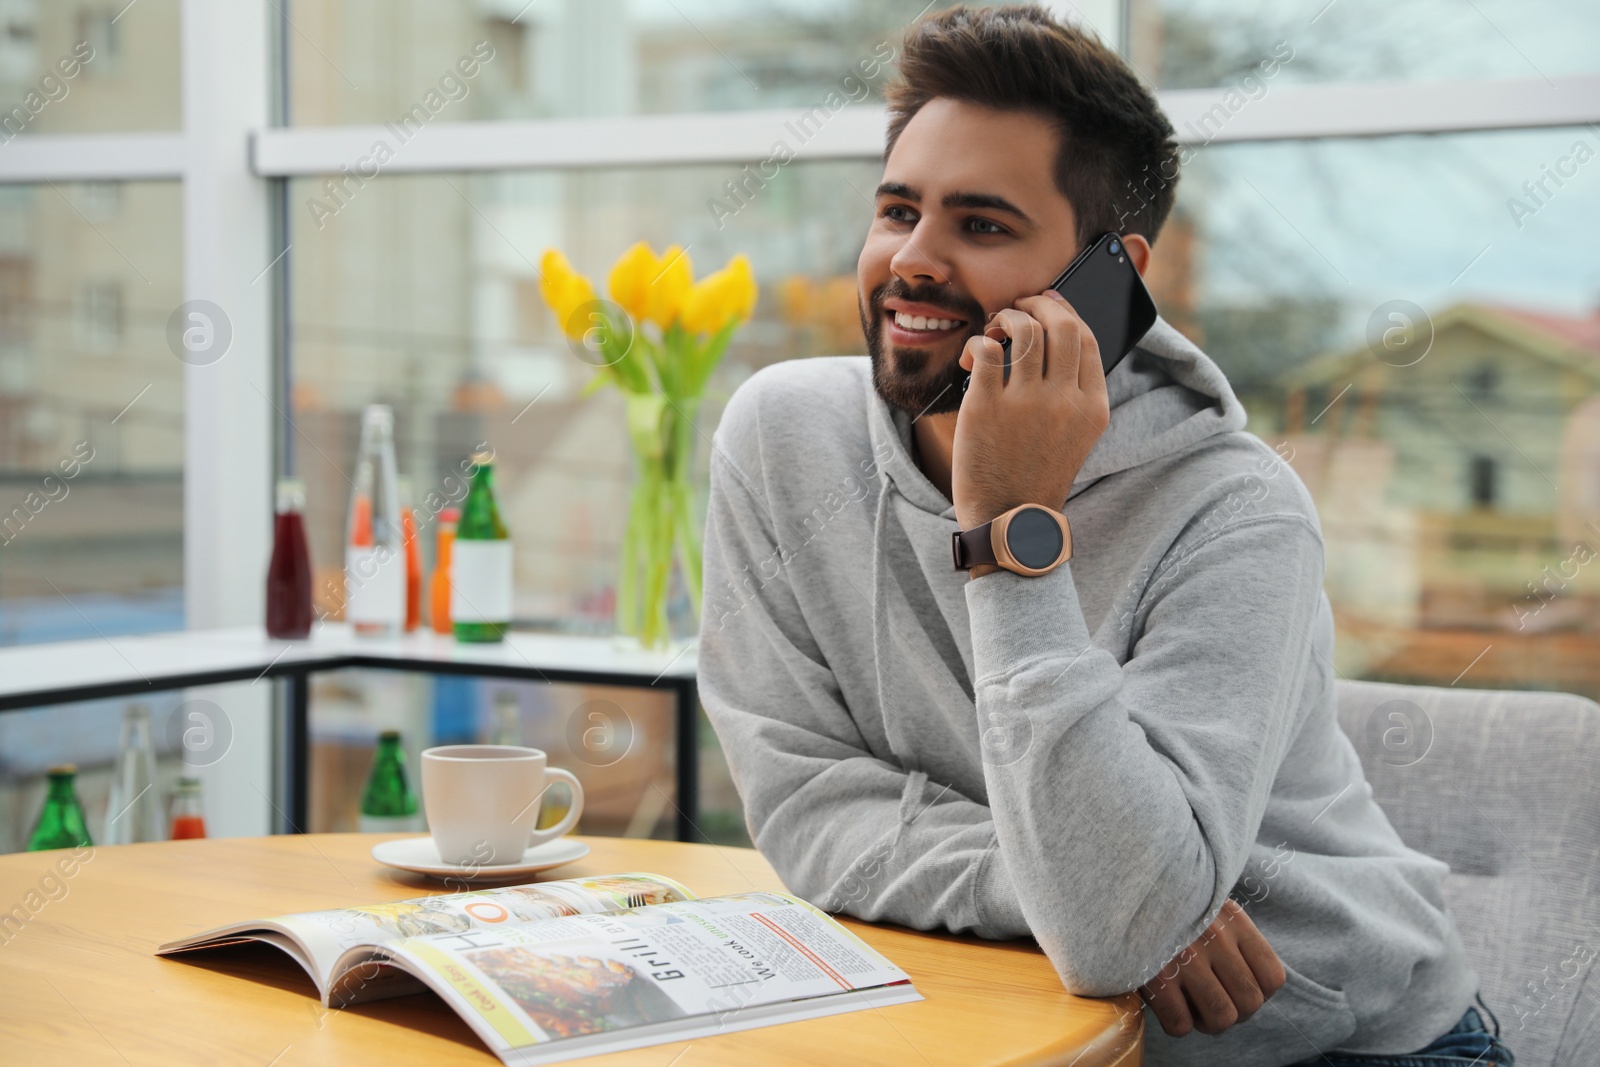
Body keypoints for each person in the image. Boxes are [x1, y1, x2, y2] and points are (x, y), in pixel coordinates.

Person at [696, 6, 1516, 1066]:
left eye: (981, 226)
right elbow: (804, 801)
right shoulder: (780, 436)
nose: (912, 260)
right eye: (899, 210)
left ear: (1108, 277)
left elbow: (1120, 924)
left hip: (1341, 1047)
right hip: (1009, 1009)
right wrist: (1076, 881)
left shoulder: (1236, 511)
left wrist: (1008, 529)